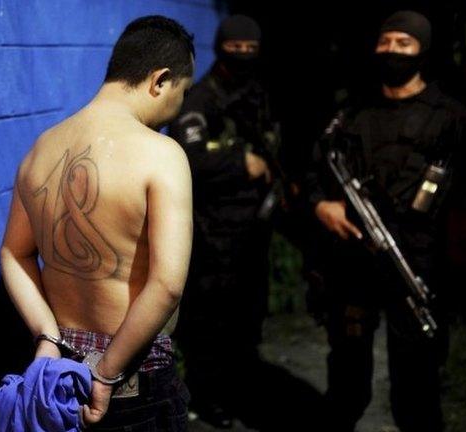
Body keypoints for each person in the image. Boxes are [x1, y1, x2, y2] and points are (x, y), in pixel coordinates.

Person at [304, 10, 466, 432]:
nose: (392, 50)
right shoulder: (353, 114)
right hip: (355, 261)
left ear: (422, 53)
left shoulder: (449, 117)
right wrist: (321, 204)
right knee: (346, 388)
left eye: (403, 44)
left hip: (417, 264)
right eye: (385, 41)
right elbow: (313, 170)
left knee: (416, 392)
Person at [0, 15, 195, 431]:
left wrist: (46, 338)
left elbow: (13, 254)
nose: (179, 108)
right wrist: (106, 373)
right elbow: (167, 285)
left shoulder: (42, 146)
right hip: (132, 377)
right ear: (159, 81)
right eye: (183, 92)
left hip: (58, 374)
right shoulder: (161, 154)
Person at [168, 14, 279, 428]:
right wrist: (240, 164)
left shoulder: (256, 95)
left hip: (253, 229)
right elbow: (188, 159)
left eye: (252, 49)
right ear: (221, 48)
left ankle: (240, 393)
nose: (245, 56)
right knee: (210, 321)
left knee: (248, 319)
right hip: (213, 231)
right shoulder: (199, 101)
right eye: (237, 48)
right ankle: (206, 398)